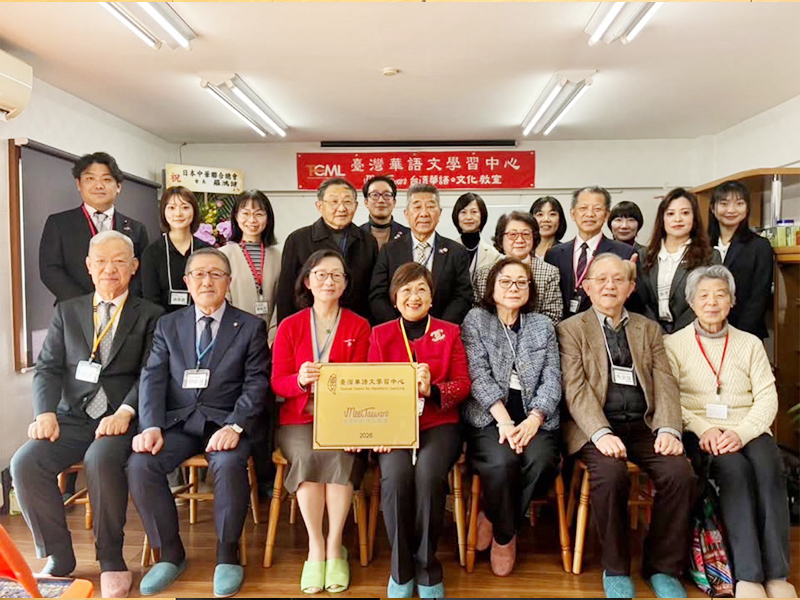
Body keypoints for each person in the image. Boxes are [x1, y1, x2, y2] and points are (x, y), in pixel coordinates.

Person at [10, 231, 163, 599]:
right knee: (25, 463)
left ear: (134, 266)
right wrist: (45, 413)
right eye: (102, 261)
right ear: (89, 266)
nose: (110, 269)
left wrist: (126, 411)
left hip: (121, 418)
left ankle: (111, 559)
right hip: (74, 416)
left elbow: (151, 373)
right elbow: (48, 368)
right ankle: (59, 556)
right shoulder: (68, 311)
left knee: (100, 460)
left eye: (119, 261)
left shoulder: (151, 315)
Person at [128, 248, 270, 598]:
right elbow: (152, 377)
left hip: (225, 424)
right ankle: (170, 554)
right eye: (199, 274)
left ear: (228, 281)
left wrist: (235, 425)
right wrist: (150, 426)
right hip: (178, 423)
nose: (207, 281)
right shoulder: (168, 325)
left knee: (229, 463)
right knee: (141, 464)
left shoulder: (250, 326)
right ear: (187, 282)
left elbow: (257, 383)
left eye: (215, 274)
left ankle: (227, 555)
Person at [558, 253, 695, 599]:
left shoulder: (648, 329)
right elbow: (575, 389)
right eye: (601, 279)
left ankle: (662, 567)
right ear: (587, 287)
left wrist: (668, 429)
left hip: (643, 424)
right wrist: (601, 433)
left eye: (618, 279)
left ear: (631, 287)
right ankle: (616, 567)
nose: (610, 286)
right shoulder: (571, 329)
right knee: (611, 474)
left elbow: (665, 383)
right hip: (594, 427)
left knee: (680, 474)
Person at [664, 265, 795, 599]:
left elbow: (767, 398)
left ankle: (777, 574)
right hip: (701, 431)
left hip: (747, 428)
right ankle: (748, 576)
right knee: (734, 470)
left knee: (769, 466)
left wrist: (742, 432)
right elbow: (671, 399)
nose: (712, 302)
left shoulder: (749, 344)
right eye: (704, 296)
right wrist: (704, 429)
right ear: (691, 302)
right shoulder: (673, 345)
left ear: (732, 301)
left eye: (720, 295)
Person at [271, 250, 371, 594]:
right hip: (299, 417)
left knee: (341, 455)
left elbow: (363, 381)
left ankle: (334, 544)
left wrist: (354, 424)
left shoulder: (359, 325)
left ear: (345, 284)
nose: (329, 281)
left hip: (344, 417)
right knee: (306, 455)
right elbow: (277, 382)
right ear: (307, 281)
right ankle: (315, 546)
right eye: (321, 275)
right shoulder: (290, 325)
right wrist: (299, 381)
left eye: (336, 276)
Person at [369, 263, 470, 599]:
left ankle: (427, 566)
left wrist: (433, 390)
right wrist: (379, 430)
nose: (414, 296)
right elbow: (370, 389)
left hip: (439, 423)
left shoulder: (449, 332)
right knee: (396, 478)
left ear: (432, 297)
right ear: (394, 298)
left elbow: (463, 384)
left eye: (421, 289)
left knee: (428, 476)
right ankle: (401, 569)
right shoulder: (380, 334)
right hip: (392, 425)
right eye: (406, 290)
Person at [461, 257, 562, 577]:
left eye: (521, 282)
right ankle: (506, 535)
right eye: (505, 281)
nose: (513, 288)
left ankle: (498, 525)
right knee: (502, 463)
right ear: (492, 287)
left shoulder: (542, 325)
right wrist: (504, 421)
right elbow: (477, 374)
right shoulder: (477, 320)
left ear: (530, 289)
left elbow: (553, 378)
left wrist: (535, 419)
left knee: (541, 462)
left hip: (536, 417)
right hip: (490, 416)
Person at [39, 151, 149, 303]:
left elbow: (142, 272)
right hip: (74, 308)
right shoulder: (58, 223)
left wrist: (121, 301)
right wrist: (87, 303)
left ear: (118, 186)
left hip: (124, 309)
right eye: (90, 179)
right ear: (78, 184)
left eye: (106, 179)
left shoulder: (136, 229)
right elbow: (50, 269)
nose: (99, 185)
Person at [370, 183, 472, 325]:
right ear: (406, 214)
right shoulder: (390, 250)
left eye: (430, 207)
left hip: (441, 332)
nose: (424, 213)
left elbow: (462, 297)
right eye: (417, 207)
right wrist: (398, 327)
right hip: (398, 332)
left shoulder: (456, 252)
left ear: (439, 213)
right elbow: (377, 295)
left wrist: (439, 328)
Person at [278, 178, 378, 322]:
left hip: (356, 325)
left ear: (355, 206)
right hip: (308, 323)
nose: (341, 208)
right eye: (334, 201)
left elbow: (373, 291)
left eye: (347, 202)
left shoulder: (368, 241)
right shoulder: (298, 240)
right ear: (319, 206)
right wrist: (285, 329)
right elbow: (285, 292)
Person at [544, 186, 635, 320]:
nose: (590, 214)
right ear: (573, 214)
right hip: (561, 327)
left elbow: (635, 303)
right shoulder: (554, 254)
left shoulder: (624, 253)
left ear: (607, 215)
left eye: (597, 209)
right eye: (583, 208)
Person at [637, 188, 713, 334]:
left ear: (694, 218)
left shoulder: (708, 256)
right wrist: (657, 331)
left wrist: (678, 334)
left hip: (694, 332)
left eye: (685, 213)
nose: (677, 219)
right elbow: (642, 301)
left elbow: (708, 298)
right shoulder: (644, 255)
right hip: (651, 333)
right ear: (662, 219)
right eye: (670, 214)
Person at [708, 180, 774, 339]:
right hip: (706, 330)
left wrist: (739, 335)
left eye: (739, 203)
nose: (731, 210)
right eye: (724, 204)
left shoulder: (759, 246)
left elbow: (759, 296)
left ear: (747, 208)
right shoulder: (703, 245)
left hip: (746, 333)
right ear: (713, 208)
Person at [472, 212, 562, 324]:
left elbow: (553, 316)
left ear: (534, 238)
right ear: (501, 239)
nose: (520, 240)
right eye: (512, 234)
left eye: (526, 234)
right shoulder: (484, 273)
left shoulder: (549, 273)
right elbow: (478, 315)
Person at [219, 190, 281, 342]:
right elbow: (221, 299)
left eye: (259, 214)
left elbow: (282, 299)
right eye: (245, 214)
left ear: (268, 218)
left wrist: (273, 336)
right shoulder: (223, 255)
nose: (252, 220)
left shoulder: (279, 256)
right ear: (236, 217)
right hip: (234, 337)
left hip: (272, 338)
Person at [141, 186, 210, 312]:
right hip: (162, 321)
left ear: (194, 211)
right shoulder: (152, 253)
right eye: (172, 208)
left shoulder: (207, 251)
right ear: (163, 211)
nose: (178, 214)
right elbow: (150, 300)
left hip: (202, 319)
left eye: (185, 207)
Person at [451, 192, 501, 281]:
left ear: (482, 215)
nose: (469, 217)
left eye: (474, 212)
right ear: (456, 216)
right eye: (463, 212)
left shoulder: (493, 255)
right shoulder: (448, 252)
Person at [359, 175, 410, 249]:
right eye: (375, 195)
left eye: (386, 195)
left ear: (394, 202)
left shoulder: (408, 235)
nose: (381, 200)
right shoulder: (356, 236)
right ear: (366, 202)